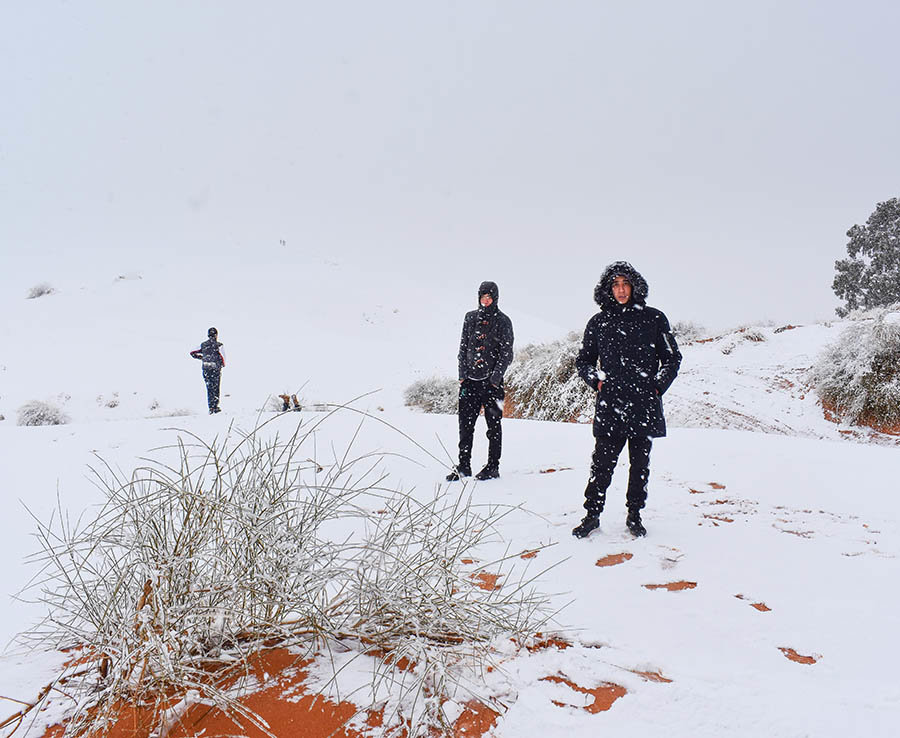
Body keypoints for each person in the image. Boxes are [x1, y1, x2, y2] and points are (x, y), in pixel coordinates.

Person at [572, 262, 681, 538]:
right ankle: (592, 515)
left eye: (625, 284)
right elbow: (583, 360)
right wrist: (596, 380)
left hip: (644, 403)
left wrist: (657, 386)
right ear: (608, 289)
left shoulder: (654, 319)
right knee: (601, 465)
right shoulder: (599, 322)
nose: (620, 290)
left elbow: (672, 359)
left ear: (634, 286)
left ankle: (635, 515)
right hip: (611, 404)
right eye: (615, 285)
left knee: (639, 465)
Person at [447, 281, 514, 482]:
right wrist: (462, 375)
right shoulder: (470, 318)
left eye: (489, 297)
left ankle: (493, 466)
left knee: (494, 426)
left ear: (495, 298)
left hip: (492, 384)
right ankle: (464, 466)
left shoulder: (503, 321)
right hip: (469, 382)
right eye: (482, 297)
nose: (485, 300)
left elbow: (507, 353)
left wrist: (495, 379)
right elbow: (463, 347)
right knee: (465, 426)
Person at [190, 327, 226, 414]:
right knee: (216, 387)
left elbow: (192, 352)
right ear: (216, 335)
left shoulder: (203, 345)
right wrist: (222, 364)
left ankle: (210, 407)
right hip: (215, 369)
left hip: (206, 368)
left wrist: (202, 358)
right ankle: (215, 406)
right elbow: (223, 357)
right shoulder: (219, 345)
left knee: (209, 388)